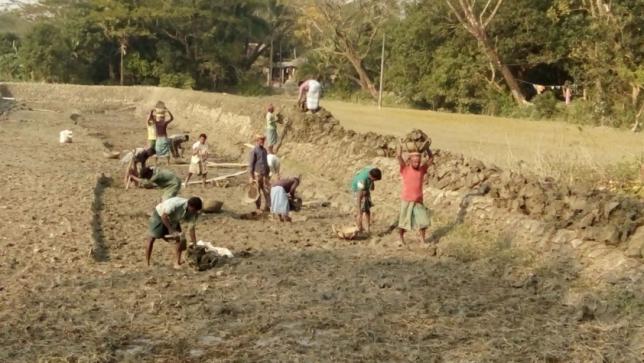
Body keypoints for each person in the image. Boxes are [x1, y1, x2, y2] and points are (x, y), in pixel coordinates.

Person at [145, 196, 202, 268]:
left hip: (173, 219)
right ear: (189, 206)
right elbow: (164, 216)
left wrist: (194, 244)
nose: (194, 212)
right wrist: (171, 230)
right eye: (193, 210)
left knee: (180, 239)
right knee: (151, 238)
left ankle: (177, 263)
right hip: (159, 215)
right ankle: (147, 263)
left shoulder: (194, 212)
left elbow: (191, 229)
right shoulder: (175, 204)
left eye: (196, 211)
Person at [397, 144, 433, 244]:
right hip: (407, 200)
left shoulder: (422, 170)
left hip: (418, 200)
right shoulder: (405, 169)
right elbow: (399, 157)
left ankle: (422, 239)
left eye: (418, 162)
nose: (417, 164)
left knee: (424, 222)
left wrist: (427, 148)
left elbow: (431, 158)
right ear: (410, 161)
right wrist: (399, 146)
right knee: (403, 223)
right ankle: (401, 238)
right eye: (415, 162)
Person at [351, 166, 382, 234]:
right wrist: (358, 209)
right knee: (360, 212)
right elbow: (359, 196)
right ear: (372, 177)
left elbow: (371, 188)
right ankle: (359, 229)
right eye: (375, 180)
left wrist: (371, 184)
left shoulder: (372, 169)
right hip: (357, 190)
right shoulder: (361, 181)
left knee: (367, 210)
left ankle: (367, 229)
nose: (375, 181)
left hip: (365, 188)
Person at [249, 134, 271, 212]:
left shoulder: (264, 150)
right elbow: (251, 164)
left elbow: (266, 163)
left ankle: (268, 207)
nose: (262, 141)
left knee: (267, 191)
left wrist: (268, 174)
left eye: (263, 140)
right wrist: (251, 176)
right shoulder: (254, 151)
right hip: (257, 174)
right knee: (257, 192)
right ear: (257, 141)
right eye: (261, 140)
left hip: (264, 175)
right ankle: (258, 208)